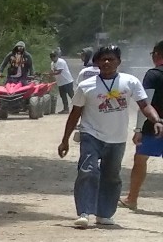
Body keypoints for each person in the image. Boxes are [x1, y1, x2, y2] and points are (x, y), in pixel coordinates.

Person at [59, 43, 160, 228]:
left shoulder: (130, 82)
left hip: (117, 137)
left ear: (118, 62)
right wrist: (65, 140)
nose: (106, 62)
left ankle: (104, 214)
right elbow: (75, 113)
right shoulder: (86, 85)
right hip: (91, 134)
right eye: (103, 59)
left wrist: (157, 120)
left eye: (111, 59)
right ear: (96, 62)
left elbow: (145, 105)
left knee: (111, 176)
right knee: (87, 170)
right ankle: (84, 212)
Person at [119, 41, 163, 213]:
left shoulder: (153, 74)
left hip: (154, 125)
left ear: (157, 55)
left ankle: (132, 199)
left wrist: (138, 129)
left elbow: (145, 104)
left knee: (141, 160)